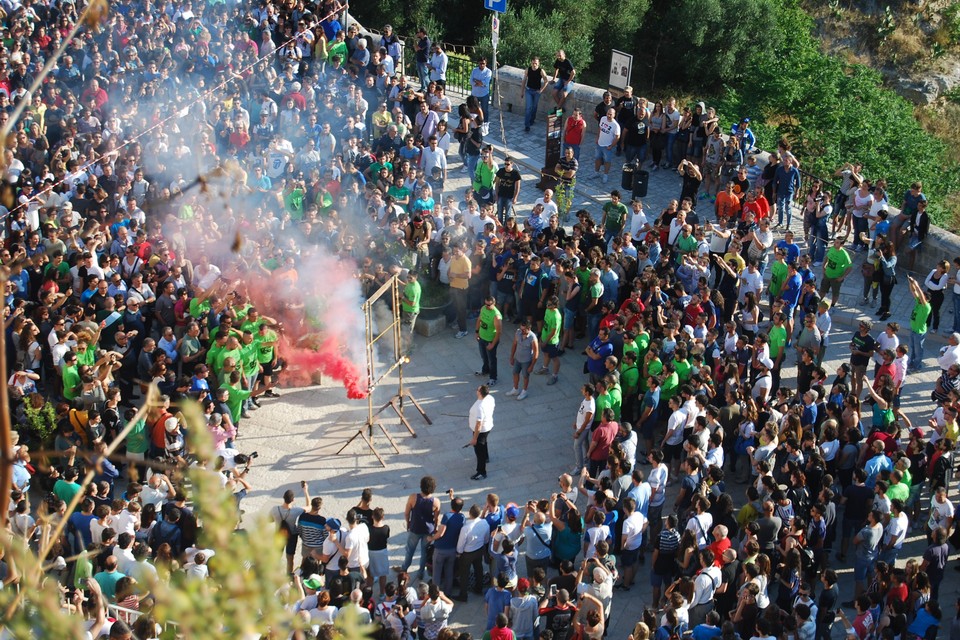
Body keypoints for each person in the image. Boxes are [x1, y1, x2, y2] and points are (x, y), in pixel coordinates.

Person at [399, 476, 441, 581]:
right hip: (428, 530)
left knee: (410, 551)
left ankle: (404, 569)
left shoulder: (413, 497)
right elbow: (437, 518)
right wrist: (435, 528)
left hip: (415, 528)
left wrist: (408, 522)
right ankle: (420, 573)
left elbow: (407, 513)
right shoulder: (436, 502)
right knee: (424, 553)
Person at [468, 385, 496, 480]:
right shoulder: (490, 398)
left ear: (480, 393)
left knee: (479, 450)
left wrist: (474, 439)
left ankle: (481, 472)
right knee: (484, 442)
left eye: (477, 389)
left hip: (481, 430)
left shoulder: (480, 406)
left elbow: (478, 425)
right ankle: (486, 457)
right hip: (488, 425)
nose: (476, 390)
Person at [507, 320, 539, 401]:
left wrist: (532, 365)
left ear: (529, 329)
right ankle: (515, 389)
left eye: (524, 330)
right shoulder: (518, 333)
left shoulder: (533, 338)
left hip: (526, 361)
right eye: (521, 329)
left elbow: (536, 353)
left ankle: (524, 391)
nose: (522, 331)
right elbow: (514, 344)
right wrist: (511, 357)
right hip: (517, 358)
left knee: (525, 376)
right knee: (515, 373)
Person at [907, 275, 932, 371]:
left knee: (918, 351)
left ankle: (917, 367)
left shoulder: (926, 307)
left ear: (926, 299)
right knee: (913, 349)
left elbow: (920, 294)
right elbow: (913, 291)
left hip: (919, 332)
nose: (921, 298)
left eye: (923, 298)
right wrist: (911, 283)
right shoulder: (919, 303)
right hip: (913, 330)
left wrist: (916, 284)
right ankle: (912, 363)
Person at [521, 57, 549, 133]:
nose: (534, 64)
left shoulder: (541, 71)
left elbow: (546, 81)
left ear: (538, 63)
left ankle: (532, 120)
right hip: (529, 90)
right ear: (531, 63)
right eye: (533, 63)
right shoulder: (528, 70)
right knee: (528, 107)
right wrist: (522, 91)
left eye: (536, 63)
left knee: (534, 107)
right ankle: (527, 125)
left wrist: (541, 90)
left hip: (537, 91)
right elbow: (524, 80)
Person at [595, 108, 621, 184]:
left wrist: (612, 146)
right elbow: (600, 128)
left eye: (611, 114)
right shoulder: (603, 118)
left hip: (607, 146)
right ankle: (596, 172)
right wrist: (597, 138)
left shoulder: (616, 125)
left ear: (614, 115)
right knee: (597, 159)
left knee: (607, 161)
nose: (609, 115)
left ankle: (605, 175)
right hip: (600, 144)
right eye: (608, 114)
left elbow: (617, 137)